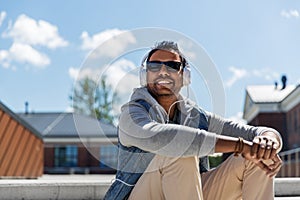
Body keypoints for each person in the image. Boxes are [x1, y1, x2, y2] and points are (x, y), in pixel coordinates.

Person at [104, 41, 282, 200]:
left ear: (184, 76)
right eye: (154, 66)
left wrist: (267, 141)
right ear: (145, 74)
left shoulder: (197, 116)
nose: (163, 71)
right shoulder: (132, 113)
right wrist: (241, 145)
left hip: (189, 192)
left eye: (172, 66)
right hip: (141, 195)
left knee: (258, 155)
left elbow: (253, 132)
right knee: (179, 150)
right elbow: (164, 138)